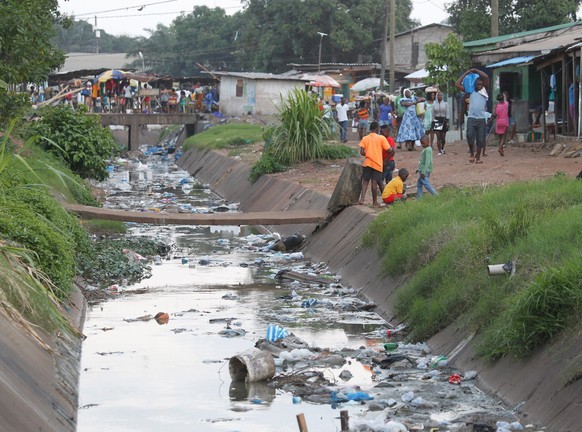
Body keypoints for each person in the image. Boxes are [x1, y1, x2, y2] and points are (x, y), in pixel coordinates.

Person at [455, 68, 490, 164]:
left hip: (481, 118)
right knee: (470, 136)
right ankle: (471, 153)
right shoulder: (470, 91)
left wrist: (475, 70)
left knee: (481, 139)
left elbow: (486, 77)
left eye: (481, 85)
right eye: (478, 84)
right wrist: (465, 73)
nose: (480, 86)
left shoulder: (484, 91)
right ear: (474, 84)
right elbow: (457, 84)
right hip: (471, 117)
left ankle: (478, 157)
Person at [358, 121, 389, 207]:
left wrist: (368, 154)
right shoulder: (381, 138)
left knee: (365, 181)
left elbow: (361, 152)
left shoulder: (365, 138)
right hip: (377, 163)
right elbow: (390, 150)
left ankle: (362, 199)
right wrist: (385, 160)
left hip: (367, 162)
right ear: (376, 129)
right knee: (374, 182)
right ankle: (374, 202)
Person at [416, 134, 438, 199]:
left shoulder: (428, 150)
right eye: (421, 143)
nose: (422, 145)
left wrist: (423, 171)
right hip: (422, 169)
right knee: (419, 184)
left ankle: (436, 195)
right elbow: (422, 161)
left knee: (426, 184)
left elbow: (428, 162)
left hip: (424, 171)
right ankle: (419, 198)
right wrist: (418, 169)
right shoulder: (426, 149)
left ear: (428, 142)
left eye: (423, 143)